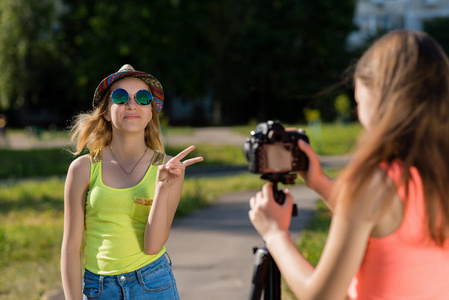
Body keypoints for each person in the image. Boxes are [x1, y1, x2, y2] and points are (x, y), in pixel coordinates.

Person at [249, 30, 449, 300]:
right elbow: (387, 225)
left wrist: (275, 234)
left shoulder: (373, 184)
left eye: (357, 102)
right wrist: (320, 183)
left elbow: (320, 295)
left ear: (379, 97)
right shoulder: (437, 176)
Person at [61, 64, 203, 300]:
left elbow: (152, 246)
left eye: (143, 98)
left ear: (150, 113)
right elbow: (70, 247)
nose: (131, 104)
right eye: (120, 97)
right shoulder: (83, 168)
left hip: (154, 284)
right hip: (98, 289)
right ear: (106, 111)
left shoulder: (169, 168)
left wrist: (162, 188)